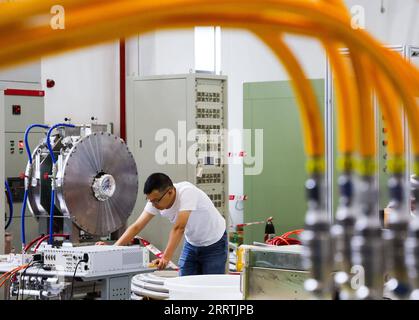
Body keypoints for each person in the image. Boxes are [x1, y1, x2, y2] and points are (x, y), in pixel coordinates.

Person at [98, 173, 228, 276]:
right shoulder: (156, 200)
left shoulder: (187, 192)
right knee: (185, 285)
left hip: (214, 243)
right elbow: (137, 226)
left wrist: (165, 258)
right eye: (150, 201)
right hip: (193, 243)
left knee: (210, 286)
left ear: (170, 192)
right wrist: (114, 249)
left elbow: (179, 228)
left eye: (156, 201)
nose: (153, 204)